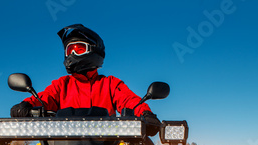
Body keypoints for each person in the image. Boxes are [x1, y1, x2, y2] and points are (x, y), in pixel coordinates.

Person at [10, 24, 161, 136]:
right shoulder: (62, 84)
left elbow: (129, 100)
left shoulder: (110, 84)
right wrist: (26, 105)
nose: (72, 54)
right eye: (69, 50)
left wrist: (145, 114)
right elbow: (44, 99)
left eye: (79, 49)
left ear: (94, 50)